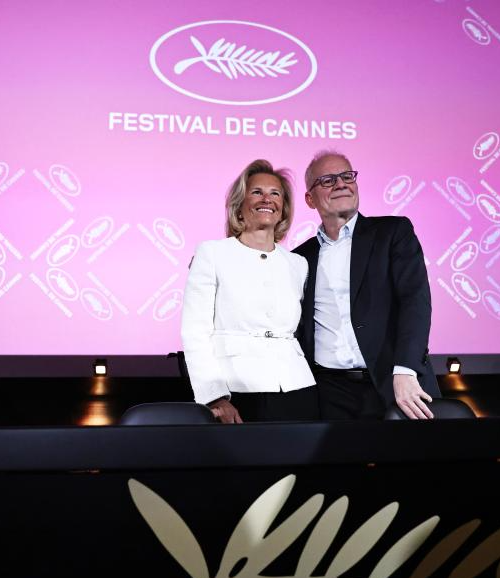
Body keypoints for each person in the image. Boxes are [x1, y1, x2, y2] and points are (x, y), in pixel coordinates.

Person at [294, 151, 440, 420]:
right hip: (328, 394)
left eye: (347, 176)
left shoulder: (393, 233)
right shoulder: (300, 258)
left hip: (395, 384)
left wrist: (405, 370)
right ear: (309, 199)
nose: (341, 184)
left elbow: (415, 302)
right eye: (328, 180)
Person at [181, 159, 318, 423]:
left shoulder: (298, 264)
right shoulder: (212, 253)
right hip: (236, 391)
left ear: (283, 209)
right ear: (240, 205)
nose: (267, 199)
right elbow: (195, 332)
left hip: (297, 389)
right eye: (257, 192)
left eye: (275, 193)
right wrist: (214, 396)